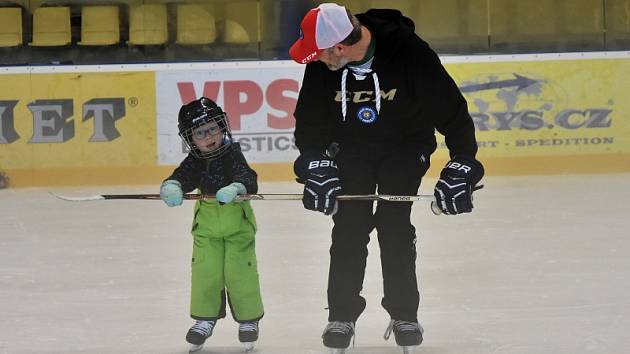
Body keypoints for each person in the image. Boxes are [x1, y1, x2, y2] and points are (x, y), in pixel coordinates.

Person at [289, 3, 484, 353]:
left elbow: (451, 109)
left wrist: (464, 161)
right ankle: (342, 316)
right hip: (349, 149)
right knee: (350, 225)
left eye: (319, 54)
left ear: (340, 47)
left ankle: (404, 314)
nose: (316, 60)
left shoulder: (409, 52)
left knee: (395, 225)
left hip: (405, 146)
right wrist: (314, 163)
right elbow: (309, 121)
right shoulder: (325, 64)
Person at [159, 97, 264, 353]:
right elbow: (182, 177)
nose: (208, 137)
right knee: (206, 271)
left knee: (240, 272)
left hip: (237, 224)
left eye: (212, 129)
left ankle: (248, 320)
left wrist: (237, 187)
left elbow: (247, 177)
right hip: (206, 226)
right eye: (200, 133)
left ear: (222, 127)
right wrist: (172, 186)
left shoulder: (232, 152)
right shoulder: (194, 160)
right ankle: (204, 318)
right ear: (190, 139)